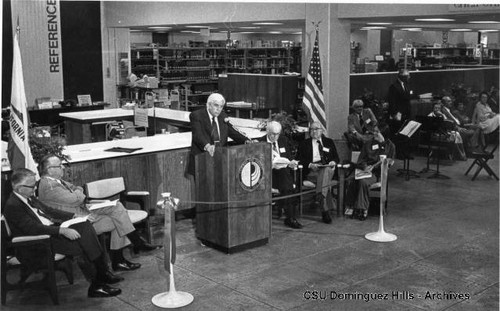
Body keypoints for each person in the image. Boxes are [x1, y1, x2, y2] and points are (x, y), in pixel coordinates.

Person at [3, 168, 122, 298]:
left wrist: (74, 215)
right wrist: (62, 230)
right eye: (32, 186)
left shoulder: (29, 197)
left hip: (49, 233)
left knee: (84, 225)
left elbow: (50, 211)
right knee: (83, 244)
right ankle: (99, 280)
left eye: (35, 185)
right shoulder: (13, 205)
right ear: (19, 188)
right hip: (37, 243)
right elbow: (33, 228)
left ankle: (101, 276)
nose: (35, 189)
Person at [37, 154, 161, 272]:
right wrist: (78, 193)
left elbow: (78, 189)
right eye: (59, 165)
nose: (63, 167)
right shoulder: (49, 186)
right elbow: (76, 197)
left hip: (82, 210)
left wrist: (78, 193)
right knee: (118, 219)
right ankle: (124, 255)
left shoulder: (57, 181)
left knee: (117, 208)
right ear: (49, 169)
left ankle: (134, 246)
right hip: (75, 221)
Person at [187, 93, 250, 177]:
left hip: (220, 160)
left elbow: (232, 131)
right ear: (208, 105)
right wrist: (208, 146)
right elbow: (197, 135)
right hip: (202, 161)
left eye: (221, 106)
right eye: (216, 105)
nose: (219, 109)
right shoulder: (196, 115)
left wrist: (247, 141)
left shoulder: (223, 116)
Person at [258, 121, 302, 229]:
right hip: (267, 174)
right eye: (273, 133)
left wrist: (292, 163)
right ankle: (290, 217)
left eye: (277, 134)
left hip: (282, 173)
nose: (275, 136)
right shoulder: (260, 142)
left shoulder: (283, 140)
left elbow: (288, 157)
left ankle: (290, 217)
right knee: (287, 183)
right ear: (267, 131)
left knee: (287, 181)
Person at [345, 133, 395, 221]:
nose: (374, 135)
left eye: (377, 133)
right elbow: (361, 159)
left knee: (363, 181)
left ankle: (362, 208)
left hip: (377, 174)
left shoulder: (390, 146)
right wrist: (365, 166)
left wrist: (378, 166)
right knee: (352, 180)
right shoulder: (368, 144)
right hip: (363, 170)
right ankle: (352, 206)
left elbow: (390, 161)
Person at [296, 122, 339, 224]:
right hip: (312, 172)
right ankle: (322, 198)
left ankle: (322, 201)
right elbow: (299, 159)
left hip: (328, 169)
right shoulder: (304, 144)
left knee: (325, 170)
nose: (314, 131)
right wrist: (310, 164)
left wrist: (333, 162)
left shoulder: (329, 142)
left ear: (321, 130)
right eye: (311, 129)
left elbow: (336, 157)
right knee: (323, 178)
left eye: (316, 129)